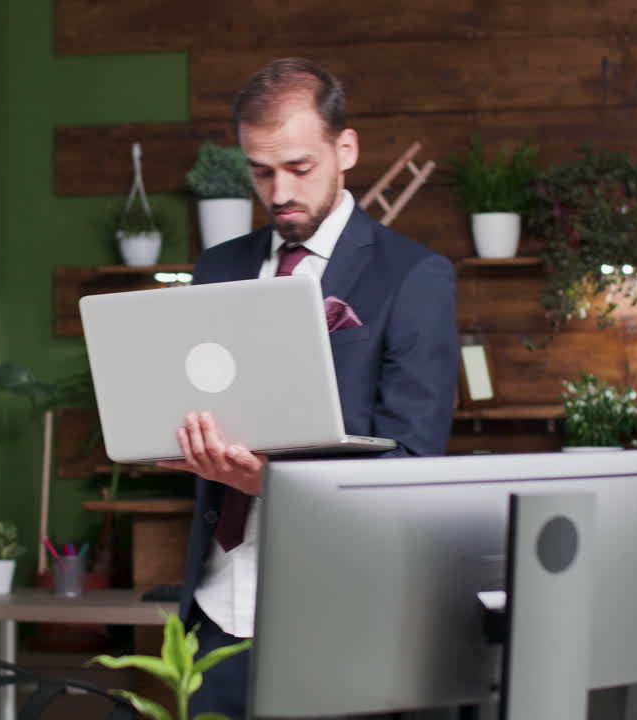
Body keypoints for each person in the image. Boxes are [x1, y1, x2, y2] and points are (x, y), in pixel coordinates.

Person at [156, 57, 459, 718]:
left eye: (299, 167)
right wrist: (178, 438)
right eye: (261, 171)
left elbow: (413, 473)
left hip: (338, 625)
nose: (280, 190)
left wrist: (270, 484)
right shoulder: (220, 266)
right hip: (214, 615)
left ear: (345, 148)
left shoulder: (414, 277)